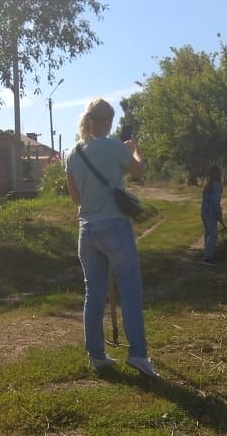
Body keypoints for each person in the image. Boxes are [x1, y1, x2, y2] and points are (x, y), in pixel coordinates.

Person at [65, 98, 159, 378]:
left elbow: (75, 198)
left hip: (87, 230)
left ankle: (96, 354)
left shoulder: (73, 153)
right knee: (130, 290)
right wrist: (134, 151)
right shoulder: (115, 146)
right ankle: (138, 354)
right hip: (115, 227)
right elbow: (140, 172)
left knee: (93, 294)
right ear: (107, 121)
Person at [200, 165, 225, 264]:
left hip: (204, 212)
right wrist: (219, 215)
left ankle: (207, 254)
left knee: (208, 234)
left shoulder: (207, 185)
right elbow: (215, 202)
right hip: (211, 214)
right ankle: (208, 257)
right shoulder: (217, 185)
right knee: (213, 235)